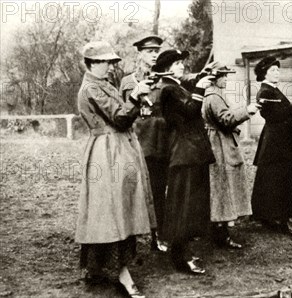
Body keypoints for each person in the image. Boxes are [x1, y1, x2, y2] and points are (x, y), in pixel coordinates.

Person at [76, 41, 152, 298]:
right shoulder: (90, 89)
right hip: (106, 151)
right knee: (110, 209)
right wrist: (133, 97)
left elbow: (124, 116)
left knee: (115, 207)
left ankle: (98, 268)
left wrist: (138, 100)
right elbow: (119, 118)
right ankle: (120, 273)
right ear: (92, 63)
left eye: (111, 62)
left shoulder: (104, 84)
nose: (111, 66)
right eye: (106, 62)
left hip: (118, 148)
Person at [154, 49, 215, 274]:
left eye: (181, 62)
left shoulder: (175, 86)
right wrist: (201, 88)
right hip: (185, 152)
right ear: (167, 68)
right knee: (184, 207)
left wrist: (200, 79)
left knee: (190, 206)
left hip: (192, 152)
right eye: (177, 63)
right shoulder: (169, 89)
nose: (181, 66)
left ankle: (183, 251)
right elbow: (191, 112)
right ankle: (181, 256)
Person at [202, 62, 261, 248]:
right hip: (220, 145)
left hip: (218, 142)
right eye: (223, 76)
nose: (226, 79)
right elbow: (225, 119)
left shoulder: (212, 94)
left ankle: (219, 229)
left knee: (220, 188)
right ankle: (221, 234)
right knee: (223, 187)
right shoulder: (214, 96)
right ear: (215, 78)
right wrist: (247, 111)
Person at [251, 56, 292, 236]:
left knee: (274, 179)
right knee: (278, 180)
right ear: (265, 73)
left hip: (279, 142)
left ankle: (270, 216)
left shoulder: (272, 89)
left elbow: (280, 113)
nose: (277, 72)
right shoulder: (265, 91)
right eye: (273, 70)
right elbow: (273, 117)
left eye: (278, 69)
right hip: (276, 143)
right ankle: (280, 220)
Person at [119, 35, 164, 251]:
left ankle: (159, 236)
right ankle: (132, 238)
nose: (154, 55)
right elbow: (124, 112)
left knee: (158, 190)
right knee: (135, 191)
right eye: (149, 51)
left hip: (160, 143)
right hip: (138, 143)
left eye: (156, 51)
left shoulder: (164, 79)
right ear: (140, 54)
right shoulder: (129, 82)